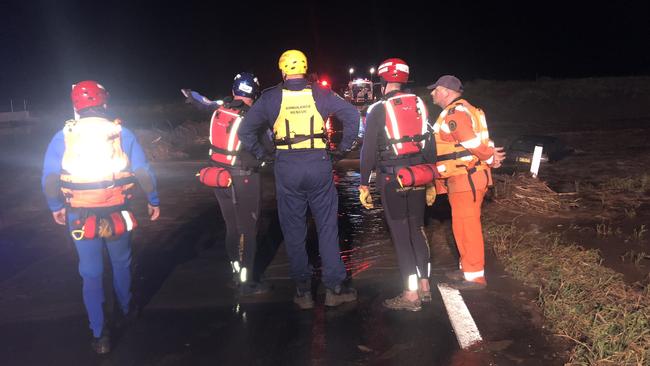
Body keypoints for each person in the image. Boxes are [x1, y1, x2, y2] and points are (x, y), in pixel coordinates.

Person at [41, 80, 160, 354]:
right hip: (117, 210)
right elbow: (143, 173)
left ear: (76, 106)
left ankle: (100, 335)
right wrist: (153, 201)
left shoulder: (64, 136)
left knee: (91, 272)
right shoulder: (121, 133)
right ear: (104, 102)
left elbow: (49, 178)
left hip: (80, 215)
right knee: (121, 262)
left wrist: (55, 205)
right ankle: (127, 310)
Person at [238, 49, 360, 309]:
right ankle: (334, 287)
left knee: (294, 230)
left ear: (283, 70)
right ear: (305, 69)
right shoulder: (320, 92)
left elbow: (246, 130)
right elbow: (352, 115)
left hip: (287, 166)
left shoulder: (270, 97)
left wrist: (265, 155)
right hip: (318, 164)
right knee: (327, 226)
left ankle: (303, 290)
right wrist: (342, 148)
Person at [181, 72, 272, 296]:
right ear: (255, 92)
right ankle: (247, 282)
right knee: (249, 229)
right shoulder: (253, 117)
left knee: (231, 227)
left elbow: (203, 102)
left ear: (234, 91)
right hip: (244, 177)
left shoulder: (220, 109)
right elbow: (268, 149)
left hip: (218, 175)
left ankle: (235, 273)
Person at [359, 58, 435, 312]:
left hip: (392, 179)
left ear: (383, 81)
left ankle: (410, 295)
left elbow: (368, 150)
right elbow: (430, 143)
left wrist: (363, 183)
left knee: (401, 236)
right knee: (417, 229)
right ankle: (425, 286)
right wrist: (431, 178)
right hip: (419, 176)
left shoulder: (379, 109)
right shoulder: (420, 104)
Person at [427, 75, 505, 290]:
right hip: (464, 177)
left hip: (466, 177)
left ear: (446, 91)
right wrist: (490, 154)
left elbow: (468, 139)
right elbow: (476, 140)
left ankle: (475, 277)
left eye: (436, 89)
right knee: (462, 226)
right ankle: (467, 269)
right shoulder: (466, 110)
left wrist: (489, 157)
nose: (432, 93)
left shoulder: (455, 113)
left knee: (467, 226)